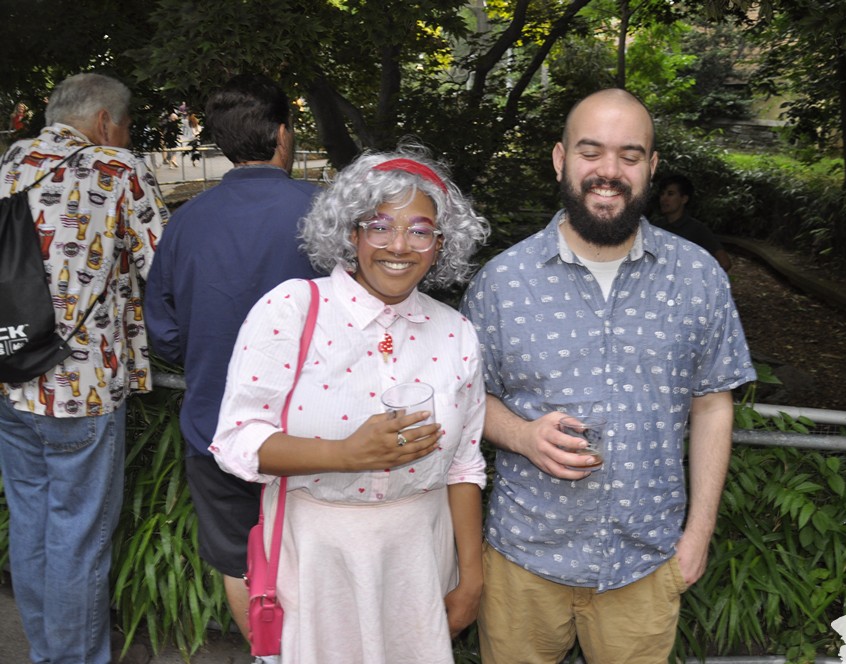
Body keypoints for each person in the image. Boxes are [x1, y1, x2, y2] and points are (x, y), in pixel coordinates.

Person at [459, 88, 756, 664]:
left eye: (629, 154)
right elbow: (468, 399)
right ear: (560, 159)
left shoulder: (698, 276)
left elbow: (714, 404)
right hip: (525, 561)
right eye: (590, 151)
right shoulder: (501, 281)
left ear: (651, 166)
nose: (609, 171)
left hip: (645, 563)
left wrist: (697, 537)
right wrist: (521, 435)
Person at [210, 145, 491, 663]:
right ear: (351, 232)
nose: (399, 245)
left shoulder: (456, 333)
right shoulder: (291, 310)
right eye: (379, 225)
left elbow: (464, 465)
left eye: (420, 229)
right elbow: (235, 441)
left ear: (440, 243)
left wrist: (470, 579)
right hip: (318, 556)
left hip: (420, 557)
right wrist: (347, 454)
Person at [144, 73, 324, 643]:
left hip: (216, 424)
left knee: (241, 564)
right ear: (281, 133)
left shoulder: (185, 223)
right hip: (315, 431)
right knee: (317, 559)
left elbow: (164, 333)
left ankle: (267, 656)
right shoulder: (325, 212)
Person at [0, 72, 169, 663]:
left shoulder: (5, 166)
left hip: (11, 374)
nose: (125, 138)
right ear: (104, 123)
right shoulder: (115, 170)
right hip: (82, 384)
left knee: (33, 522)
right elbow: (164, 270)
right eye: (125, 127)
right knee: (78, 534)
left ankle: (49, 650)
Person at [650, 172, 733, 271]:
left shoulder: (697, 229)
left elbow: (724, 263)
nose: (664, 198)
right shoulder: (656, 226)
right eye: (662, 194)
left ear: (684, 199)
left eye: (670, 194)